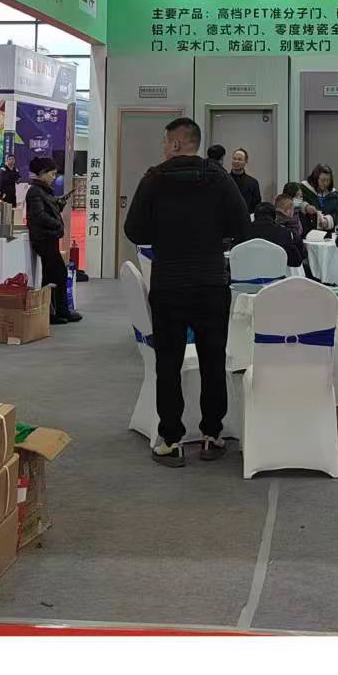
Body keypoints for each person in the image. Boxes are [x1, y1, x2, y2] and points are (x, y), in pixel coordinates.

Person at [124, 117, 251, 467]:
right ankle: (212, 435)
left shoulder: (154, 178)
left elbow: (134, 230)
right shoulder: (218, 177)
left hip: (169, 283)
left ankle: (171, 440)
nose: (164, 148)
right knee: (213, 360)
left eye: (166, 142)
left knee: (168, 363)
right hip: (210, 282)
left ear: (177, 143)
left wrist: (163, 232)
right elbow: (243, 226)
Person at [25, 156, 81, 325]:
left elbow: (47, 210)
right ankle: (57, 311)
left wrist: (59, 205)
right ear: (42, 173)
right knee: (57, 273)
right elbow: (39, 215)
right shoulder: (35, 191)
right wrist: (57, 223)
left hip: (48, 237)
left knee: (51, 275)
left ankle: (54, 312)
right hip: (44, 238)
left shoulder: (43, 191)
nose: (54, 177)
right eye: (52, 174)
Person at [250, 200, 305, 269]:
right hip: (275, 274)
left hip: (247, 272)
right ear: (274, 217)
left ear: (255, 216)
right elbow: (296, 261)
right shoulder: (284, 233)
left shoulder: (244, 231)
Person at [228, 146, 262, 215]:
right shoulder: (224, 180)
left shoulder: (253, 183)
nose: (236, 161)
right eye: (234, 159)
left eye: (240, 159)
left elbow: (257, 206)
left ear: (246, 162)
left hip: (246, 218)